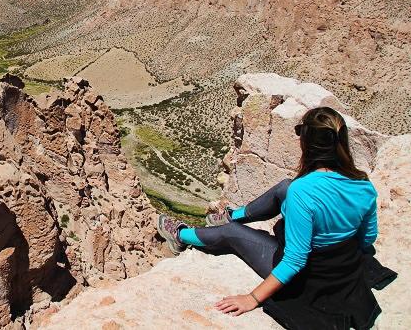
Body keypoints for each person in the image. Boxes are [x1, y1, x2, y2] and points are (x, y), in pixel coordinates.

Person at [157, 106, 395, 329]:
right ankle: (233, 215)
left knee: (232, 234)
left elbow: (295, 261)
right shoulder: (363, 184)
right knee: (284, 186)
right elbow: (367, 239)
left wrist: (252, 298)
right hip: (344, 263)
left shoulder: (303, 192)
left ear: (307, 145)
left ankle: (180, 235)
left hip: (310, 278)